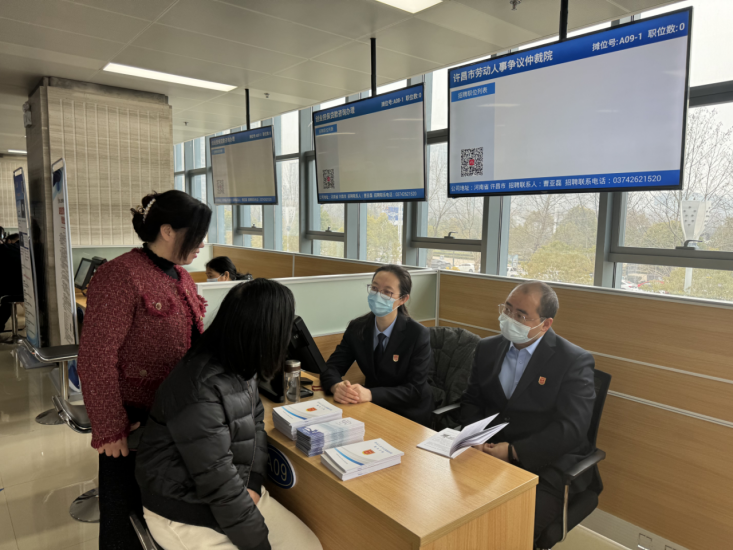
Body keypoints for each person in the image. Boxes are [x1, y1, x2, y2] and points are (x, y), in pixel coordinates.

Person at [136, 279, 322, 550]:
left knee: (309, 545)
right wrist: (258, 545)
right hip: (184, 509)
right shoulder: (198, 387)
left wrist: (253, 484)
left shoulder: (242, 365)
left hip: (232, 493)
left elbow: (256, 424)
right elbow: (217, 480)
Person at [77, 190, 211, 549]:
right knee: (124, 518)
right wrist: (110, 428)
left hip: (172, 419)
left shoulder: (181, 276)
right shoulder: (119, 276)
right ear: (167, 231)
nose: (203, 242)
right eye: (197, 234)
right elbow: (95, 358)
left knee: (163, 518)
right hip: (132, 423)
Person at [460, 281, 596, 544]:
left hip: (546, 465)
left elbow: (571, 428)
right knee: (449, 508)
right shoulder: (487, 348)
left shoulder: (573, 361)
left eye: (521, 315)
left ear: (545, 324)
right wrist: (476, 438)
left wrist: (514, 451)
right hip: (488, 452)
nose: (510, 318)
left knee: (506, 532)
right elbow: (471, 401)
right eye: (507, 309)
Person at [319, 264, 434, 426]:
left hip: (409, 414)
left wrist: (370, 394)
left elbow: (414, 390)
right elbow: (331, 367)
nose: (378, 295)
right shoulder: (357, 327)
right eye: (374, 288)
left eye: (387, 292)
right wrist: (336, 386)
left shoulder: (417, 334)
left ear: (403, 299)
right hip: (371, 408)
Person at [0, 234, 23, 333]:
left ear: (9, 240)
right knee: (7, 302)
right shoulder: (26, 250)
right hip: (25, 289)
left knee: (7, 300)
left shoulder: (5, 248)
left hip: (11, 289)